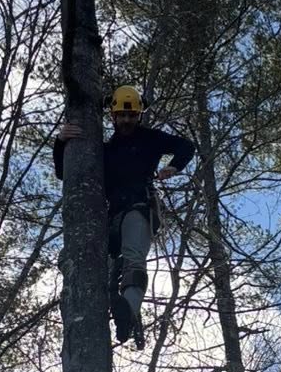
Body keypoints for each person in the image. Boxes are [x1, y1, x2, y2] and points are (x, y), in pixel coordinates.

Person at [54, 86, 197, 346]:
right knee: (82, 262)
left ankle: (129, 312)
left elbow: (186, 146)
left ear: (139, 116)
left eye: (132, 116)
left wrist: (173, 167)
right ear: (113, 116)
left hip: (139, 207)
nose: (127, 120)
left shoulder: (150, 139)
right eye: (122, 115)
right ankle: (121, 303)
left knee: (134, 260)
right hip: (109, 218)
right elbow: (65, 173)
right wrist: (60, 142)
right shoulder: (103, 150)